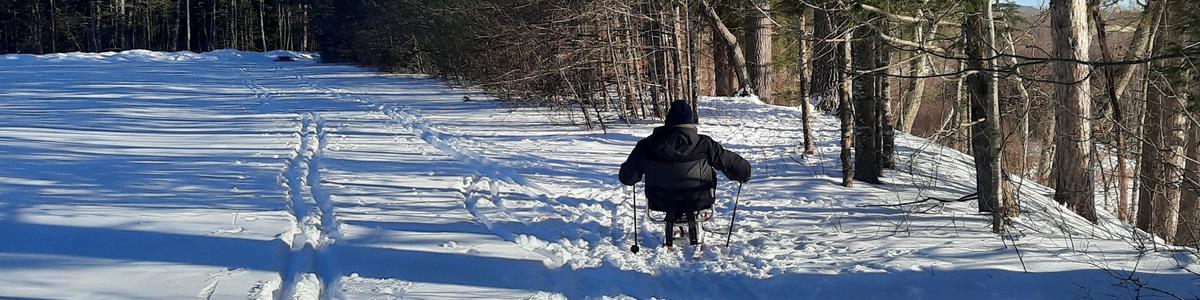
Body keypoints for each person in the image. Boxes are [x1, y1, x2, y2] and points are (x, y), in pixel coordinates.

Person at [619, 100, 751, 247]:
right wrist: (744, 173)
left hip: (660, 200)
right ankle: (693, 218)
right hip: (698, 199)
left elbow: (626, 177)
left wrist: (634, 175)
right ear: (690, 123)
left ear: (668, 122)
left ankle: (675, 219)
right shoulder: (705, 144)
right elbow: (732, 163)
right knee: (708, 172)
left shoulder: (647, 145)